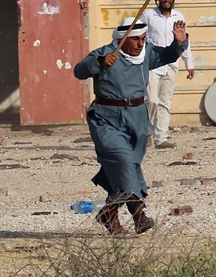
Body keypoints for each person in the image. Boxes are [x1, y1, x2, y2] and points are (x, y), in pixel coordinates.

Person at [74, 17, 189, 234]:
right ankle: (139, 215)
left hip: (137, 118)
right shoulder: (106, 53)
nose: (140, 45)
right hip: (106, 118)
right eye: (135, 40)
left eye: (143, 39)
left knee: (127, 165)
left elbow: (168, 55)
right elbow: (79, 71)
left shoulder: (146, 54)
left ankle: (109, 213)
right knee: (123, 160)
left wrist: (179, 43)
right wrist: (98, 63)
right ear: (123, 39)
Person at [139, 0, 195, 149]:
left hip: (171, 64)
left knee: (165, 102)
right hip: (153, 64)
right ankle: (145, 133)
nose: (166, 0)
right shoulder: (149, 15)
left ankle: (161, 138)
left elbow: (184, 41)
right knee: (151, 100)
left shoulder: (178, 16)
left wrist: (189, 63)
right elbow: (138, 35)